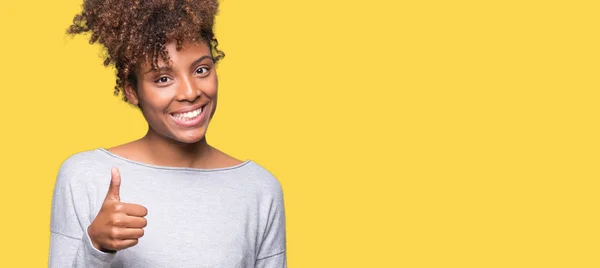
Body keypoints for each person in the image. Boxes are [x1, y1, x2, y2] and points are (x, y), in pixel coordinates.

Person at [48, 0, 287, 267]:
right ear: (132, 91)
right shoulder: (86, 176)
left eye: (201, 70)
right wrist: (96, 246)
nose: (190, 92)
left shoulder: (259, 189)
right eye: (163, 78)